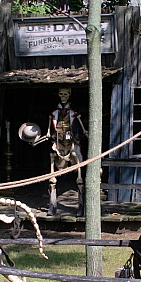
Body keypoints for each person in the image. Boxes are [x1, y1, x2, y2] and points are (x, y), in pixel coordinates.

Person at [46, 87, 87, 216]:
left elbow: (80, 127)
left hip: (71, 143)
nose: (63, 96)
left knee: (79, 176)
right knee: (52, 177)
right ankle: (52, 206)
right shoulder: (54, 113)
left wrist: (84, 132)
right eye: (61, 93)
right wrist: (49, 135)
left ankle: (81, 206)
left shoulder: (73, 113)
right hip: (58, 143)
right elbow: (50, 129)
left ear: (69, 95)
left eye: (65, 94)